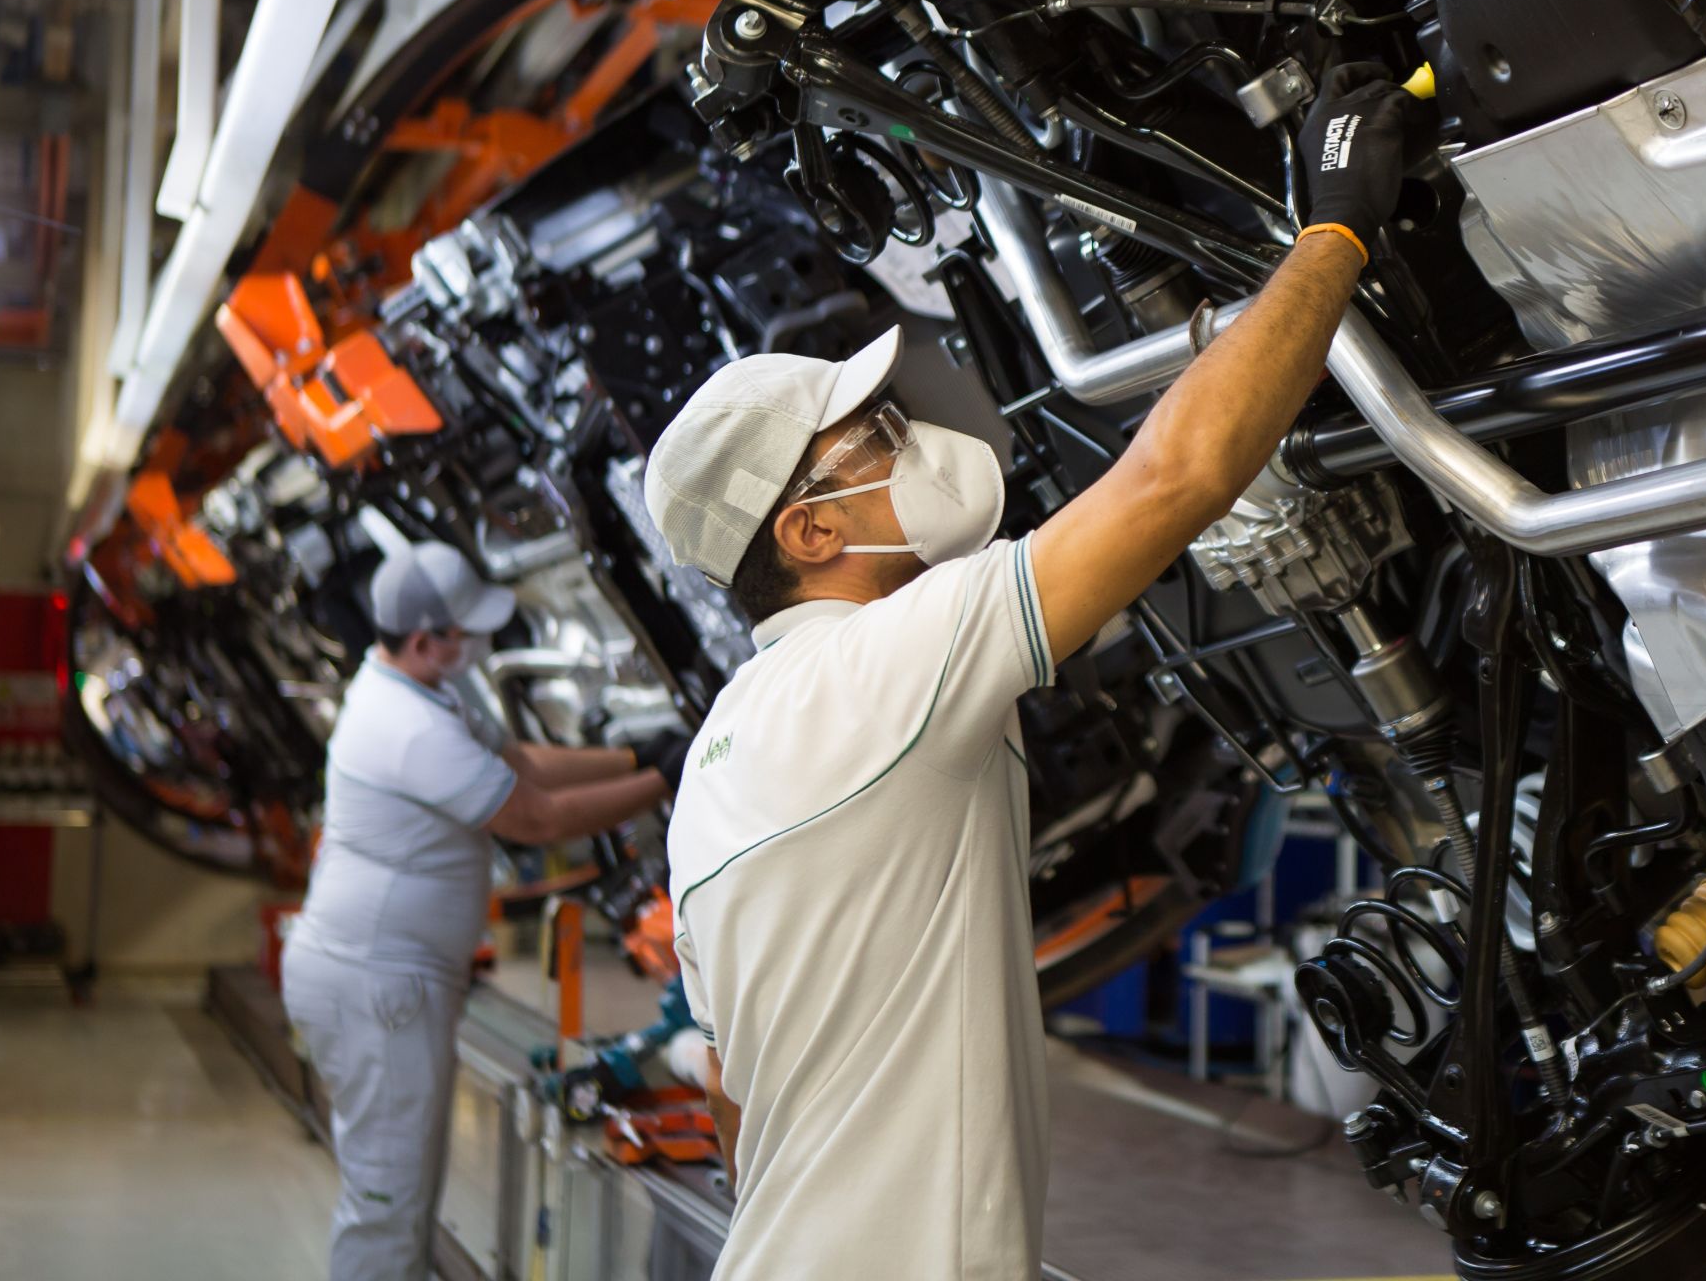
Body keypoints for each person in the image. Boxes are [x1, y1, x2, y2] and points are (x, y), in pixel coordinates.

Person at [645, 66, 1416, 1280]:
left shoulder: (720, 762)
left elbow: (735, 1096)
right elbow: (1177, 478)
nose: (906, 439)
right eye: (871, 439)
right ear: (807, 535)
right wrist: (1333, 228)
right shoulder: (879, 672)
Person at [281, 539, 688, 1281]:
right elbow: (532, 817)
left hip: (386, 980)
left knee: (401, 1190)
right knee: (385, 1202)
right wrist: (665, 784)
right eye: (463, 629)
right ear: (425, 638)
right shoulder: (403, 725)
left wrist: (639, 756)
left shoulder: (429, 690)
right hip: (374, 985)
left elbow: (524, 761)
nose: (478, 639)